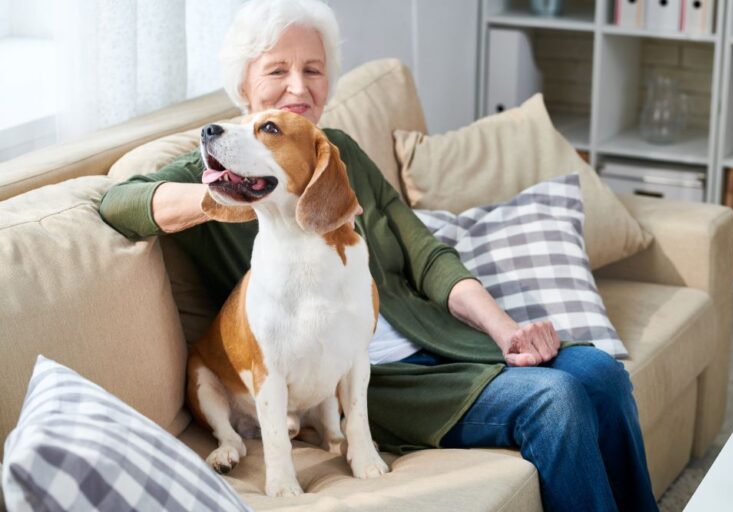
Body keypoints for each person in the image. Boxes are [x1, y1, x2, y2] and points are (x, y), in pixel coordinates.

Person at [99, 1, 658, 510]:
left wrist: (503, 329)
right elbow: (119, 201)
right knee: (555, 401)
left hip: (434, 337)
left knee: (599, 373)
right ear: (245, 83)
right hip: (373, 382)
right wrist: (221, 195)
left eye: (313, 70)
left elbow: (426, 257)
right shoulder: (224, 163)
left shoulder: (339, 157)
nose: (298, 86)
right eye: (277, 69)